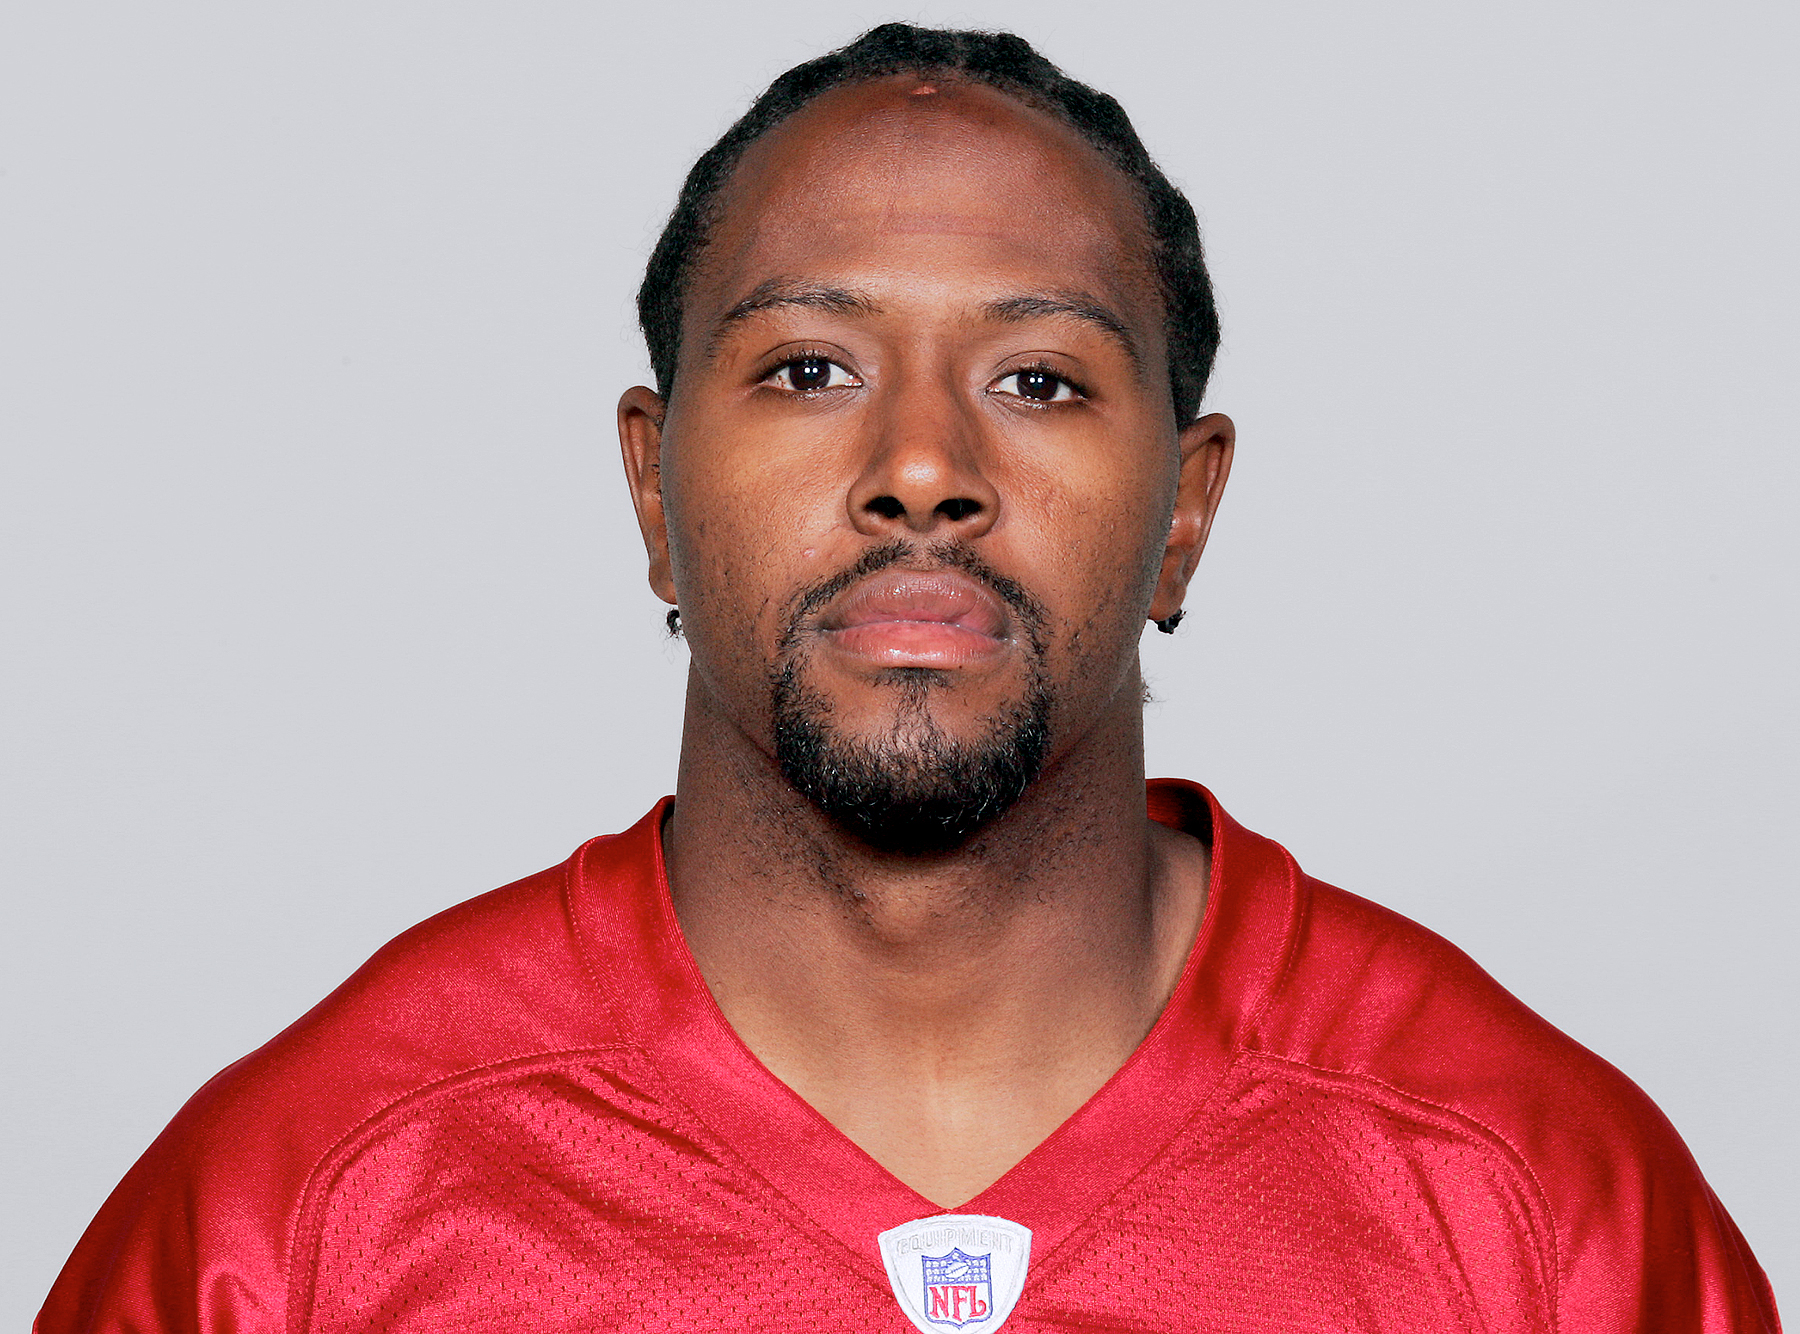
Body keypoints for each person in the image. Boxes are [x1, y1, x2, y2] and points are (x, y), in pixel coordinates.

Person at [37, 23, 1779, 1333]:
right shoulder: (298, 1217)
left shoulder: (1542, 1209)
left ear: (1187, 510)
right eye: (809, 366)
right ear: (653, 490)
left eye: (1038, 380)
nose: (924, 462)